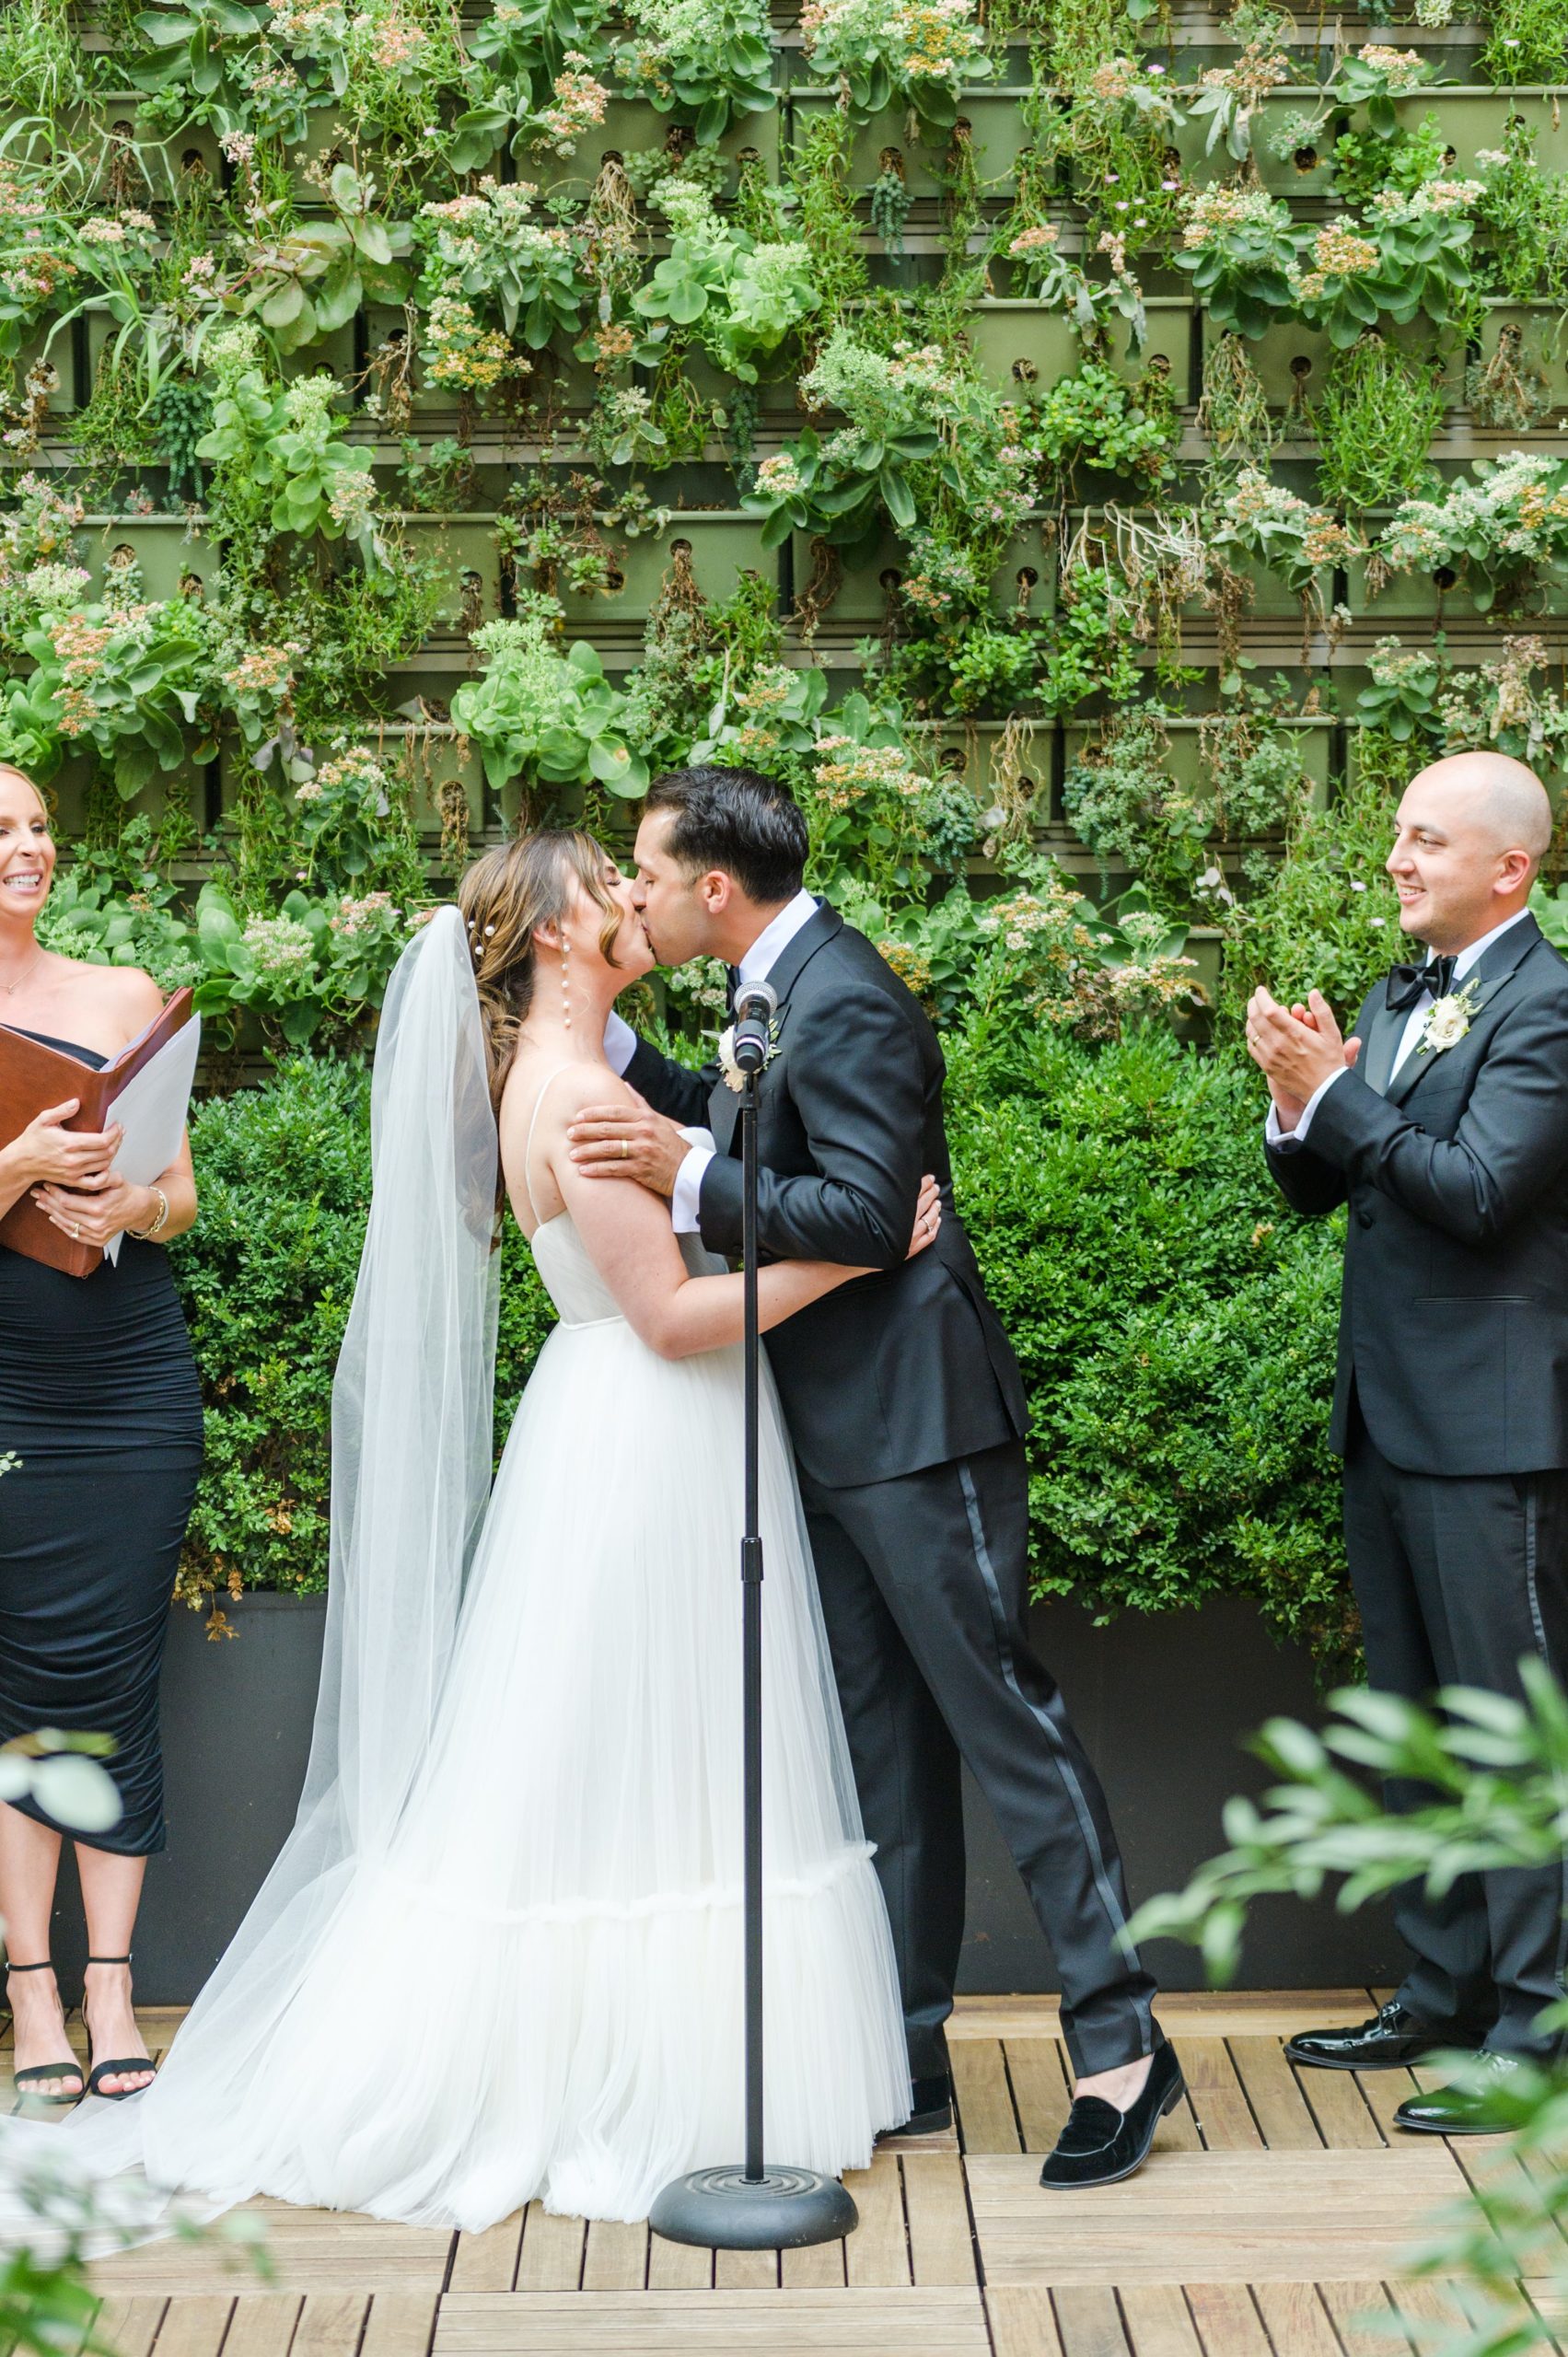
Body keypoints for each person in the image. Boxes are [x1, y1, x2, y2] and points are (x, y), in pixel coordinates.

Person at [13, 830, 925, 2229]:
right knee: (623, 1770)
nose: (633, 896)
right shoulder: (567, 1095)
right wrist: (861, 1246)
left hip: (649, 1437)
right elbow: (679, 1318)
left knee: (644, 1768)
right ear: (554, 935)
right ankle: (630, 2086)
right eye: (606, 885)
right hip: (647, 1438)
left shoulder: (591, 1076)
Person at [568, 765, 1179, 2191]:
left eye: (648, 873)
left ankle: (1122, 2047)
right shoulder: (765, 989)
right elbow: (766, 1140)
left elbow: (856, 1211)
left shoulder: (848, 998)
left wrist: (682, 1171)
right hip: (818, 1433)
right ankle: (905, 2048)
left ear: (715, 888)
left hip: (917, 1424)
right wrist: (619, 1066)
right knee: (880, 1749)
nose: (637, 893)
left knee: (1003, 1722)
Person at [1248, 749, 1568, 2133]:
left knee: (1508, 1740)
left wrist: (1343, 1095)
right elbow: (1334, 1187)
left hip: (1496, 1432)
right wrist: (1292, 1098)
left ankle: (1538, 2032)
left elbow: (1483, 1193)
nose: (1397, 857)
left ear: (1512, 866)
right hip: (1387, 1414)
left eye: (1426, 841)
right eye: (1397, 835)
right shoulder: (1397, 996)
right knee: (1419, 1727)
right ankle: (1440, 1991)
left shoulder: (1552, 1009)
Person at [0, 763, 201, 2105]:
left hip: (128, 1377)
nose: (29, 848)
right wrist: (15, 1168)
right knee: (20, 1695)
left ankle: (114, 1987)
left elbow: (181, 1190)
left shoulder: (121, 998)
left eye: (35, 827)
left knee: (113, 1679)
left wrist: (128, 1207)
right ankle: (31, 2001)